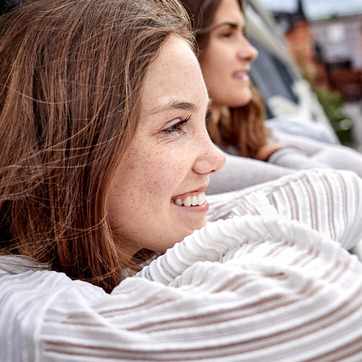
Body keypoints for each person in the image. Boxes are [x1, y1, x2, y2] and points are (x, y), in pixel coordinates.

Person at [1, 0, 362, 361]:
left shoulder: (129, 245)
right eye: (175, 126)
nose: (217, 159)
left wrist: (162, 271)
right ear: (72, 147)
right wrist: (192, 264)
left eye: (204, 120)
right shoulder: (35, 321)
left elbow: (338, 191)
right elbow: (336, 305)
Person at [179, 0, 362, 194]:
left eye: (244, 33)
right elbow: (333, 189)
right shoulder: (197, 163)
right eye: (227, 34)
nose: (251, 52)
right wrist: (275, 153)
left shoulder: (240, 132)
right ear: (186, 46)